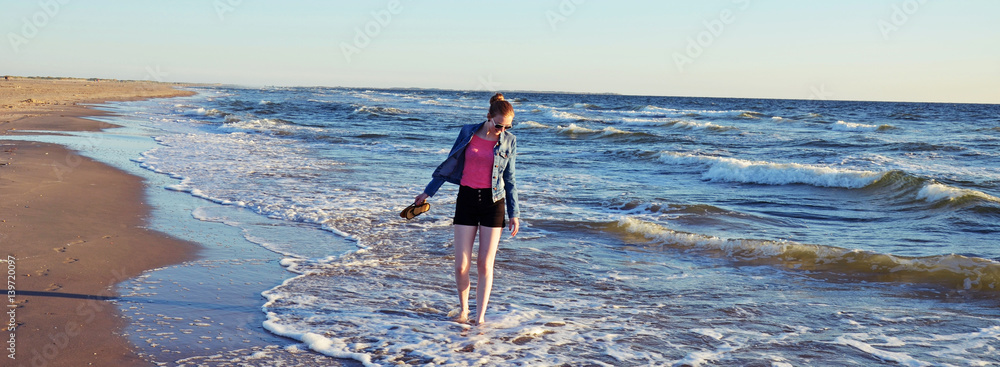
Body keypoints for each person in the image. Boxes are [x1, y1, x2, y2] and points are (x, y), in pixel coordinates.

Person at [414, 92, 520, 325]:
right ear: (488, 117)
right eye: (500, 125)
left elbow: (510, 179)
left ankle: (479, 319)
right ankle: (464, 311)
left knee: (484, 263)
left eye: (508, 127)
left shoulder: (509, 141)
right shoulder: (467, 133)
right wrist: (427, 192)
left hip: (494, 203)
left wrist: (515, 214)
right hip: (467, 199)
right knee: (461, 264)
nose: (503, 130)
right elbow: (449, 163)